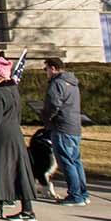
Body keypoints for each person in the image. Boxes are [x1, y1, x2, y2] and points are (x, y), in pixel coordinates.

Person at [0, 56, 38, 221]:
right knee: (19, 171)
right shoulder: (13, 89)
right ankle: (27, 209)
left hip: (2, 135)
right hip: (15, 132)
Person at [40, 59, 88, 205]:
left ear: (53, 68)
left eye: (46, 68)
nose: (46, 72)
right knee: (75, 161)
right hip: (74, 126)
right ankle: (83, 193)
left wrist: (46, 118)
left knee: (66, 161)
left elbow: (53, 105)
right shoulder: (72, 83)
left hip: (61, 126)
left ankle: (75, 195)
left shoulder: (57, 83)